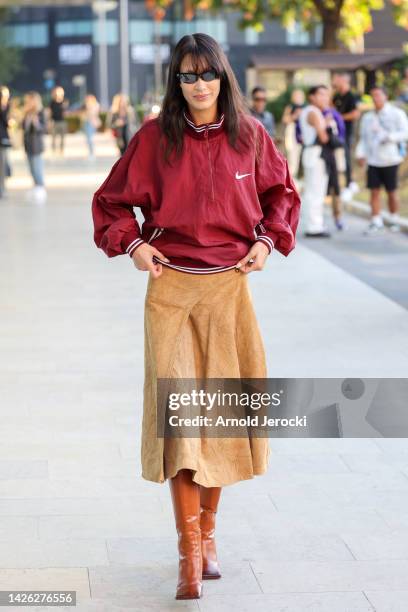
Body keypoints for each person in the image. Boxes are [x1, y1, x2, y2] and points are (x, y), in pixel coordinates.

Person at [92, 32, 301, 601]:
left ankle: (208, 537)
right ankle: (187, 555)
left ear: (223, 77)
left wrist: (266, 241)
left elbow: (282, 193)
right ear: (175, 82)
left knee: (223, 418)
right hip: (172, 293)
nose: (199, 85)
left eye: (208, 74)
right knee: (183, 419)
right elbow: (110, 202)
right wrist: (133, 246)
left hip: (230, 291)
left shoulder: (251, 136)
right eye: (188, 76)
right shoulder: (155, 138)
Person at [355, 85, 408, 235]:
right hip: (373, 159)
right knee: (374, 191)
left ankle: (393, 219)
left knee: (392, 191)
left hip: (391, 159)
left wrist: (389, 137)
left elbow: (405, 132)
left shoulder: (396, 114)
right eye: (373, 96)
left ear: (386, 96)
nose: (376, 99)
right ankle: (376, 220)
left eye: (378, 95)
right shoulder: (368, 117)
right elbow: (363, 139)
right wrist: (360, 154)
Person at [299, 85, 332, 237]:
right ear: (312, 97)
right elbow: (324, 137)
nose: (325, 98)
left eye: (326, 95)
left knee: (314, 189)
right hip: (315, 151)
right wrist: (327, 123)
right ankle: (313, 226)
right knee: (315, 190)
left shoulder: (310, 111)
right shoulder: (313, 112)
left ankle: (314, 224)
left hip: (311, 151)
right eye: (321, 95)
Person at [332, 72, 361, 201]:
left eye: (338, 81)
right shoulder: (337, 96)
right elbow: (330, 107)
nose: (336, 83)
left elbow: (355, 114)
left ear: (345, 81)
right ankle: (337, 184)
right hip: (336, 133)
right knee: (338, 159)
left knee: (347, 156)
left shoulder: (351, 96)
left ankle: (350, 182)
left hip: (347, 132)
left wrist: (339, 118)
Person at [321, 99, 346, 230]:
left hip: (335, 153)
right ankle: (319, 220)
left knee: (336, 188)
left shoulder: (334, 115)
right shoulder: (315, 113)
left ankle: (338, 217)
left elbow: (341, 134)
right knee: (321, 188)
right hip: (321, 155)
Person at [22, 91, 47, 203]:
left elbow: (43, 128)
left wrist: (36, 123)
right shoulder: (26, 113)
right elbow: (23, 127)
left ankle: (40, 188)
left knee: (37, 167)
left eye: (30, 101)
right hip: (28, 144)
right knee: (31, 168)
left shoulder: (41, 112)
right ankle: (36, 186)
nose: (29, 103)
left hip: (36, 145)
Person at [282, 88, 305, 179]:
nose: (298, 98)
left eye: (300, 96)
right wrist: (295, 116)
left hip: (302, 134)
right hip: (292, 133)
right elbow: (285, 120)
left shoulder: (306, 107)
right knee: (292, 157)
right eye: (296, 96)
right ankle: (292, 179)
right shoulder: (290, 107)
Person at [0, 85, 11, 199]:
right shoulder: (3, 107)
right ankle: (1, 190)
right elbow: (5, 122)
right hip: (2, 139)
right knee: (2, 166)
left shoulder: (6, 106)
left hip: (3, 139)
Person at [82, 94, 101, 160]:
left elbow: (93, 114)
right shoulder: (86, 105)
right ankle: (90, 153)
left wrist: (89, 108)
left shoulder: (95, 105)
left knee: (90, 139)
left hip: (92, 123)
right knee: (87, 139)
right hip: (86, 122)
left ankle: (92, 153)